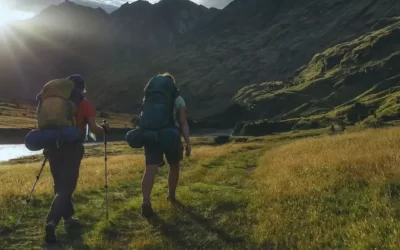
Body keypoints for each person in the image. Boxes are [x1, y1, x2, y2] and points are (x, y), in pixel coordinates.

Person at [39, 74, 109, 244]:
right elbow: (93, 128)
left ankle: (68, 219)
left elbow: (43, 124)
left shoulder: (53, 102)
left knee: (60, 185)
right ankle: (51, 222)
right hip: (72, 147)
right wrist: (105, 129)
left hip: (53, 146)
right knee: (67, 187)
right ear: (82, 88)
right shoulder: (83, 103)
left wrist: (46, 146)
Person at [140, 73, 191, 217]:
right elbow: (182, 122)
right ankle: (171, 196)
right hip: (170, 136)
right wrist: (188, 142)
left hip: (150, 134)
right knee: (174, 165)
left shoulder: (148, 99)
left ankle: (146, 202)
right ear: (172, 86)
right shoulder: (178, 99)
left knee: (150, 168)